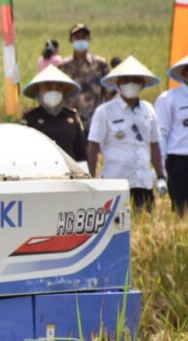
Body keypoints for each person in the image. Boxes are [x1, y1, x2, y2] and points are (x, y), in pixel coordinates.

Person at [87, 56, 165, 211]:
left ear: (142, 84)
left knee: (144, 225)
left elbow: (154, 144)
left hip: (143, 181)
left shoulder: (148, 109)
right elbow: (93, 147)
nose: (131, 84)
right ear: (118, 84)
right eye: (126, 80)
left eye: (135, 80)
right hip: (115, 182)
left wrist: (161, 175)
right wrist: (91, 179)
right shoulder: (105, 111)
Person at [20, 65, 87, 162]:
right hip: (41, 173)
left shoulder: (72, 117)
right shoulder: (30, 118)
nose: (53, 90)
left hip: (69, 173)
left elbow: (81, 154)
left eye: (58, 87)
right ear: (39, 90)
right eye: (48, 86)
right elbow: (24, 153)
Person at [58, 23, 109, 131]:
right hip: (70, 120)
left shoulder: (100, 64)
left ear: (89, 39)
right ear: (70, 40)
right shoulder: (63, 66)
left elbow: (107, 92)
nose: (80, 40)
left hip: (94, 119)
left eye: (84, 37)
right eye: (77, 37)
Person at [156, 54, 188, 215]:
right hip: (178, 159)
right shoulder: (169, 99)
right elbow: (162, 133)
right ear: (184, 74)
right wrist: (161, 170)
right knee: (180, 207)